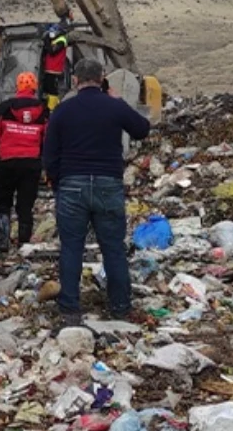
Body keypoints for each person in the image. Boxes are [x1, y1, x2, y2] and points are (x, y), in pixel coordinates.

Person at [42, 59, 151, 325]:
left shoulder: (63, 111)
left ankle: (69, 308)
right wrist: (117, 100)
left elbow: (49, 154)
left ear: (75, 80)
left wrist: (59, 184)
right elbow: (142, 129)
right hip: (107, 183)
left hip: (72, 184)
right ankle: (121, 307)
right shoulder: (113, 107)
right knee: (113, 248)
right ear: (102, 78)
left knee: (71, 248)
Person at [0, 72, 49, 248]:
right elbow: (47, 138)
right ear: (34, 87)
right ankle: (24, 241)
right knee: (25, 204)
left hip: (7, 161)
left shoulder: (5, 107)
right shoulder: (43, 109)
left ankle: (2, 240)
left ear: (18, 86)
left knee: (3, 203)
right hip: (31, 162)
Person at [41, 25, 69, 109]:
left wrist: (47, 42)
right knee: (47, 89)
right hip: (49, 69)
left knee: (52, 90)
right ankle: (49, 105)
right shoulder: (55, 40)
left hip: (55, 70)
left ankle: (52, 108)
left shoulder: (61, 40)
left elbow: (52, 51)